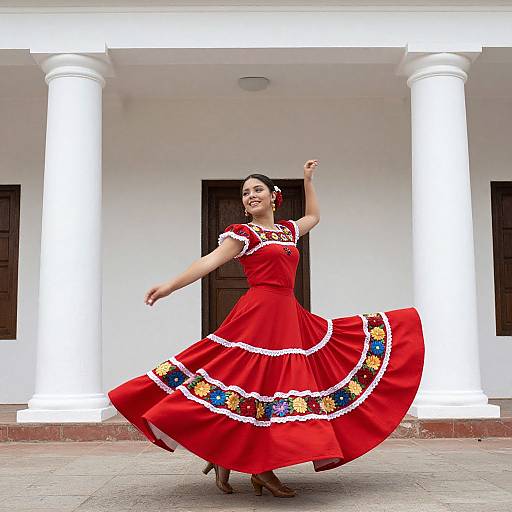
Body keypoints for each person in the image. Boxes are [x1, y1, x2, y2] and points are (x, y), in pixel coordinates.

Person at [108, 159, 425, 498]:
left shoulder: (287, 231)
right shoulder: (243, 234)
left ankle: (235, 459)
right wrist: (170, 285)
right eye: (245, 193)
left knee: (276, 386)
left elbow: (314, 217)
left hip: (288, 315)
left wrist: (307, 180)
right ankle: (259, 467)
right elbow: (208, 262)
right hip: (258, 315)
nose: (250, 196)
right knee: (253, 384)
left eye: (257, 189)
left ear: (274, 196)